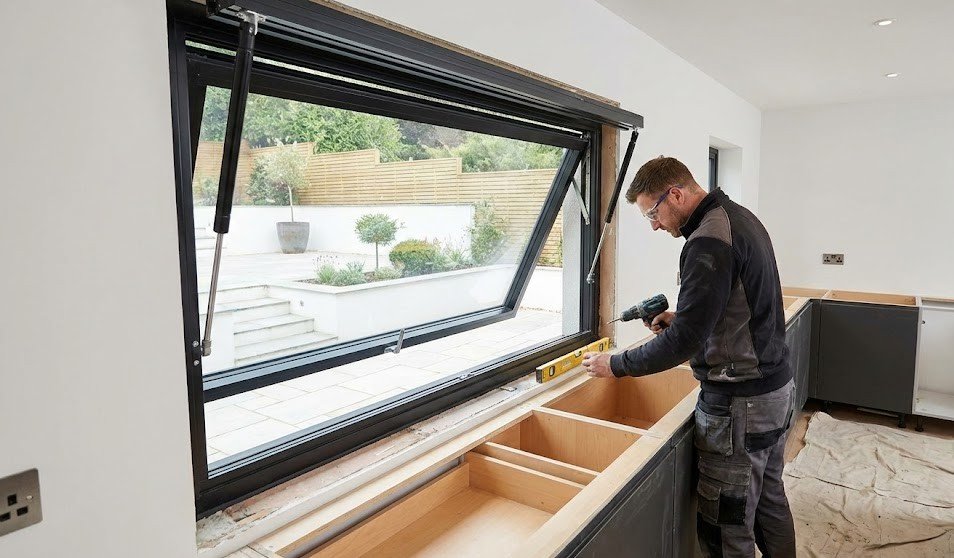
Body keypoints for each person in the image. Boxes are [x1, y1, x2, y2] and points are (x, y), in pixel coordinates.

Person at [582, 156, 796, 557]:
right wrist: (682, 318)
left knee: (726, 526)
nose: (655, 224)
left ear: (676, 194)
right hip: (774, 390)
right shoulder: (738, 218)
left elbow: (683, 344)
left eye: (653, 213)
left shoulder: (707, 241)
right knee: (769, 501)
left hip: (741, 404)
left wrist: (616, 365)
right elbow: (738, 305)